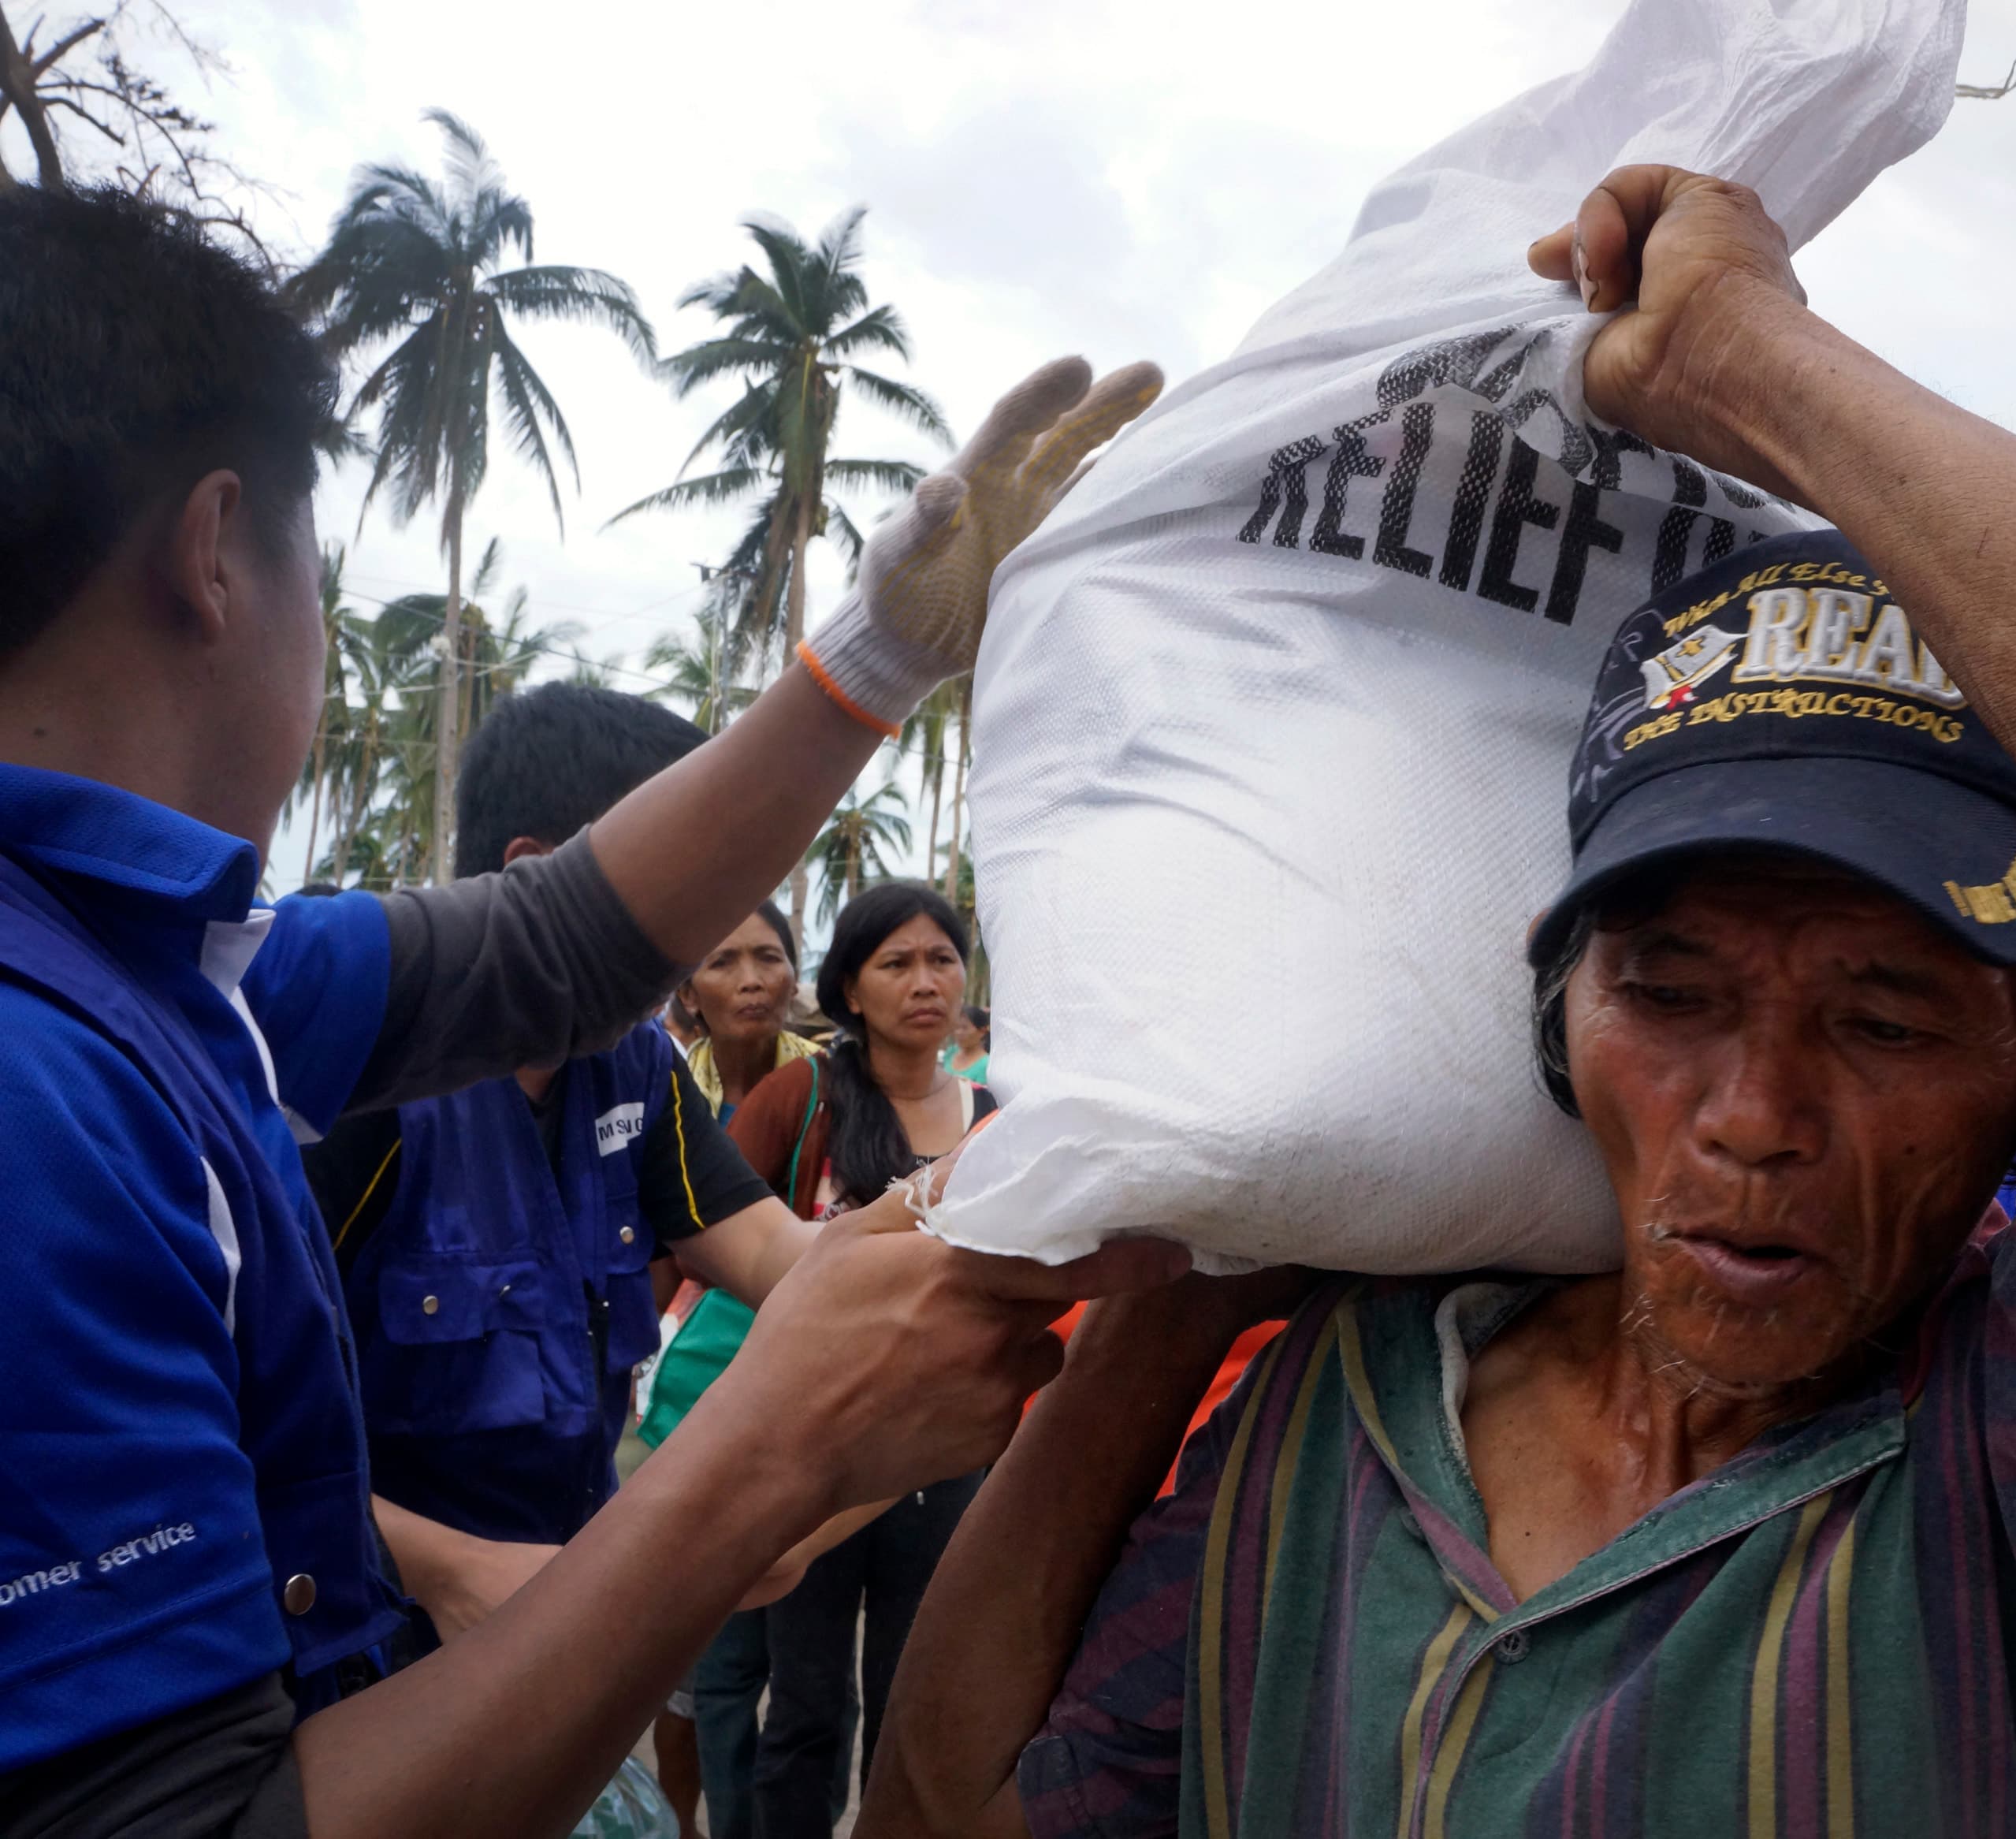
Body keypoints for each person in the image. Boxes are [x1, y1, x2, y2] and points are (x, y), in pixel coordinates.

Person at [856, 165, 2016, 1839]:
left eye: (1886, 1018)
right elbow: (957, 1798)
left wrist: (1735, 351)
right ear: (1562, 1022)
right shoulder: (1344, 1396)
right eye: (1669, 989)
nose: (1753, 1114)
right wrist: (1188, 1284)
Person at [0, 183, 1174, 1835]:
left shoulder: (178, 970)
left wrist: (870, 664)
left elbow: (556, 944)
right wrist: (754, 1461)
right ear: (213, 556)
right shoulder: (39, 1089)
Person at [304, 687, 828, 1646]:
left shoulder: (633, 1064)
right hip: (374, 1627)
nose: (698, 948)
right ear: (545, 879)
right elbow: (233, 1438)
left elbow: (778, 1253)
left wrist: (961, 1213)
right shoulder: (353, 1093)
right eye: (689, 889)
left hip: (568, 1599)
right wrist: (447, 1569)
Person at [720, 882, 995, 1838]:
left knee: (914, 1699)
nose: (926, 982)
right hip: (816, 1452)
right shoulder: (799, 1098)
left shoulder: (995, 1117)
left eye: (942, 959)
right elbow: (711, 1243)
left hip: (951, 1459)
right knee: (804, 1703)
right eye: (896, 962)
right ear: (850, 987)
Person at [655, 895, 820, 1836]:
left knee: (797, 1663)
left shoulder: (834, 1091)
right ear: (689, 988)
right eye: (725, 960)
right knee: (695, 1671)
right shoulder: (662, 1095)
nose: (752, 977)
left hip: (802, 1401)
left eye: (769, 956)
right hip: (681, 1403)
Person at [683, 902, 819, 1119]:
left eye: (769, 958)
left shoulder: (836, 1086)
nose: (751, 981)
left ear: (795, 981)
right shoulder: (670, 1095)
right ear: (688, 995)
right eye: (721, 963)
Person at [948, 1003, 992, 1085]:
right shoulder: (950, 1052)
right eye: (957, 1027)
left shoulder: (987, 1065)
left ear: (982, 1031)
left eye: (965, 1028)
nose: (958, 1032)